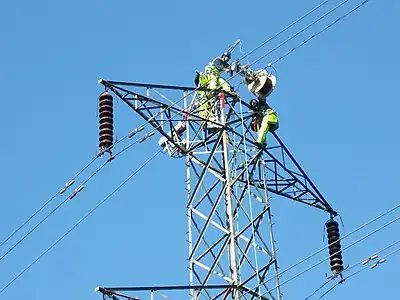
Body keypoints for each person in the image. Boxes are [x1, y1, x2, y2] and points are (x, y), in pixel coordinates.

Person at [195, 52, 234, 128]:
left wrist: (233, 69)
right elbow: (218, 66)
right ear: (223, 56)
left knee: (224, 83)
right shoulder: (218, 60)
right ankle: (213, 91)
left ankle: (228, 91)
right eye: (227, 58)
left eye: (228, 59)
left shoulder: (224, 63)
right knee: (214, 82)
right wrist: (224, 69)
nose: (227, 60)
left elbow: (229, 68)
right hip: (211, 74)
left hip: (216, 76)